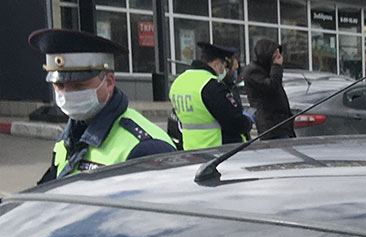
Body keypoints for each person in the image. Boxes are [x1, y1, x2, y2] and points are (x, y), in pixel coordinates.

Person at [30, 28, 174, 184]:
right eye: (59, 85)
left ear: (109, 82)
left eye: (79, 85)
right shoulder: (70, 136)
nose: (66, 94)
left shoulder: (146, 148)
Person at [168, 41, 252, 149]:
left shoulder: (179, 82)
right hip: (217, 150)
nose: (223, 71)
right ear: (216, 63)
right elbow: (236, 122)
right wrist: (248, 121)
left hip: (191, 149)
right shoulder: (212, 85)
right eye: (223, 66)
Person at [241, 38, 296, 139]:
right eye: (275, 53)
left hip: (282, 123)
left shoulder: (268, 69)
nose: (278, 57)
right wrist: (276, 66)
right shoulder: (253, 71)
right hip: (271, 125)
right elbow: (272, 86)